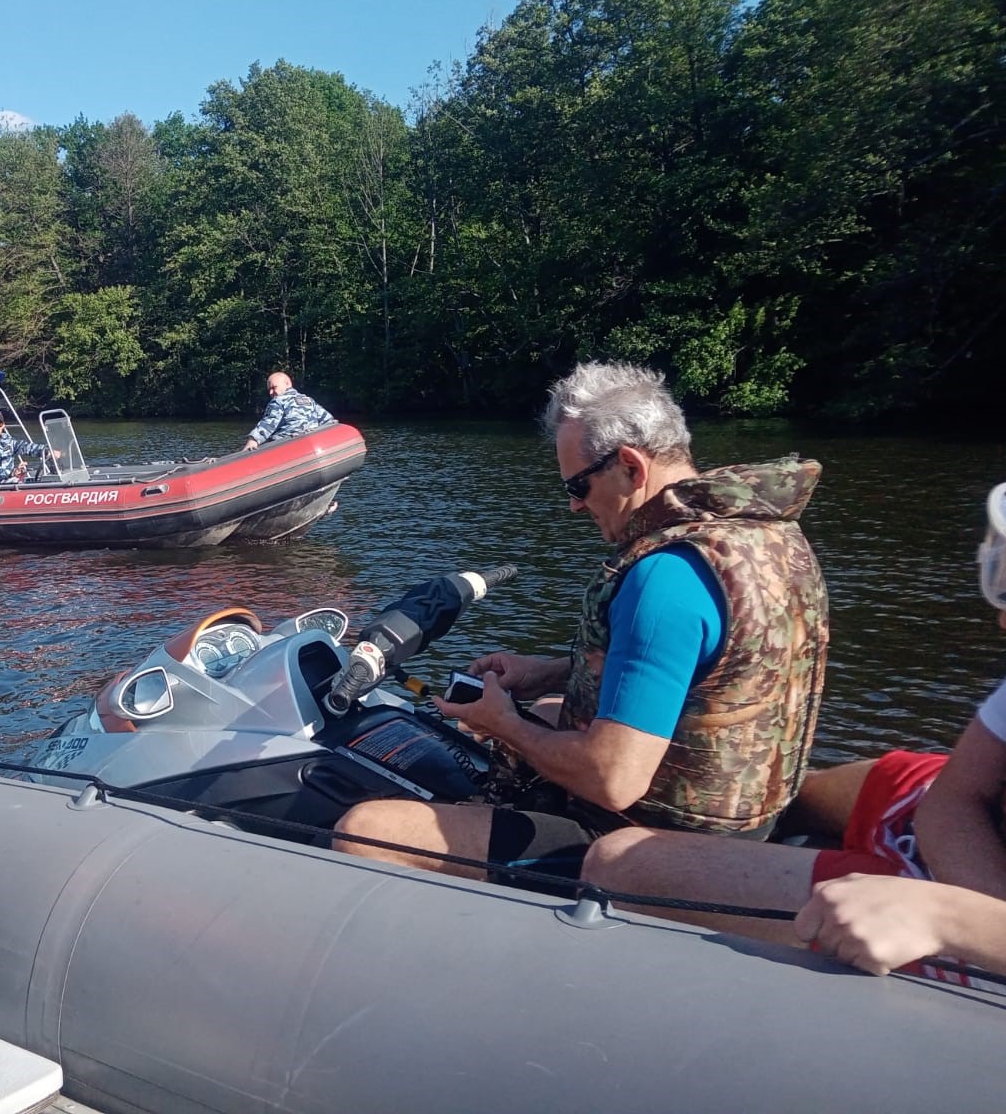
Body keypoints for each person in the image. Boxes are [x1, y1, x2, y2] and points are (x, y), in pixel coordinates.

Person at [334, 361, 829, 884]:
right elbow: (714, 670)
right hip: (743, 811)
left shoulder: (665, 575)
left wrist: (504, 725)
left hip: (653, 847)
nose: (573, 506)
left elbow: (613, 779)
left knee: (368, 828)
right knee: (551, 707)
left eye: (579, 485)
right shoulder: (767, 538)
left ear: (632, 468)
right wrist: (549, 672)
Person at [579, 482, 1006, 981]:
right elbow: (955, 798)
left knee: (618, 862)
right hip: (946, 816)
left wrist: (954, 918)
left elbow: (615, 779)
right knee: (783, 796)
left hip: (962, 925)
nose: (1000, 618)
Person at [243, 371, 336, 451]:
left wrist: (253, 440)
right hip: (311, 442)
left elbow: (268, 422)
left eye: (274, 387)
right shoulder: (309, 400)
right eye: (269, 390)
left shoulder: (278, 401)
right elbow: (328, 420)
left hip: (286, 445)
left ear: (287, 384)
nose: (271, 392)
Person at [0, 407, 59, 482]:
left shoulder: (6, 439)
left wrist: (46, 450)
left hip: (5, 482)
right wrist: (11, 473)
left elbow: (24, 446)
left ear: (3, 426)